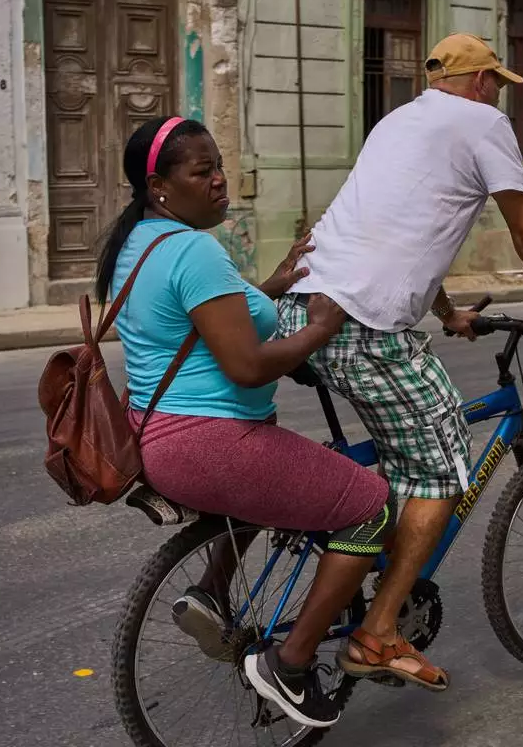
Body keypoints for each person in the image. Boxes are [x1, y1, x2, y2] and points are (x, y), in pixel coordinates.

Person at [275, 33, 523, 690]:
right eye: (496, 82)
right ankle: (377, 633)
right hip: (360, 326)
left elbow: (405, 230)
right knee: (441, 467)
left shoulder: (398, 121)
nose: (497, 93)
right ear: (479, 81)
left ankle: (364, 558)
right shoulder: (484, 123)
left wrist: (446, 311)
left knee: (403, 450)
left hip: (298, 310)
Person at [99, 114, 397, 729]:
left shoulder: (140, 242)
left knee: (278, 486)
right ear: (160, 186)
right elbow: (248, 365)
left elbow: (204, 323)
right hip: (210, 443)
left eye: (219, 167)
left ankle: (212, 590)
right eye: (201, 171)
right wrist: (321, 328)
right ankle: (291, 663)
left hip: (157, 436)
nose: (219, 180)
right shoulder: (193, 249)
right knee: (370, 507)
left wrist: (272, 287)